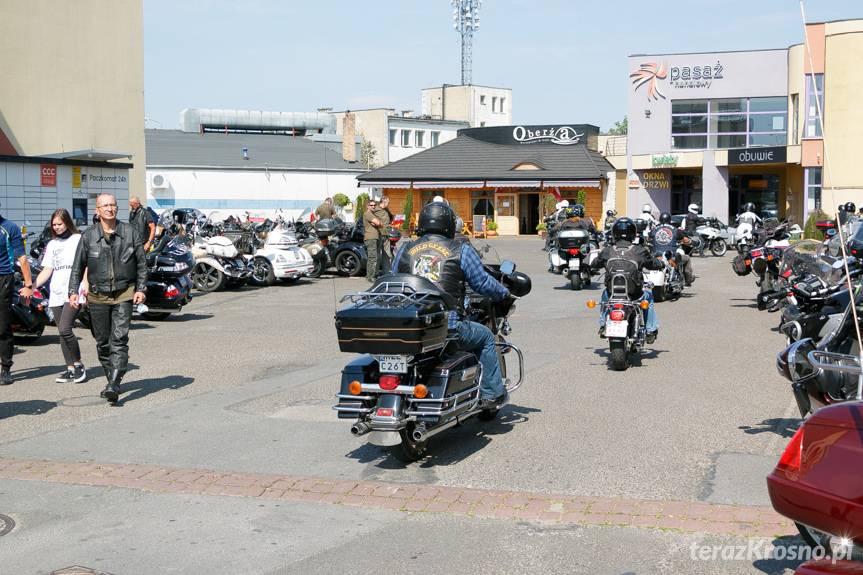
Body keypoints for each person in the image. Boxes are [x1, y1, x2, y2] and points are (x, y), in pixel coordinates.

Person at [391, 202, 511, 409]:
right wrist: (504, 292)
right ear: (449, 225)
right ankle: (492, 394)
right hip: (448, 327)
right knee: (486, 337)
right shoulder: (460, 250)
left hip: (410, 326)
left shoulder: (405, 249)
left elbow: (394, 278)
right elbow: (481, 282)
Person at [69, 193, 147, 403]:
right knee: (103, 343)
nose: (109, 209)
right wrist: (73, 292)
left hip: (124, 293)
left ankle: (113, 383)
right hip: (97, 296)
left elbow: (141, 264)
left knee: (119, 340)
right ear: (97, 210)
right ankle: (112, 380)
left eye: (112, 205)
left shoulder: (130, 232)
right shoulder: (88, 236)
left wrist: (141, 288)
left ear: (117, 208)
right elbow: (77, 267)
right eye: (105, 205)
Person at [34, 209, 86, 383]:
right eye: (54, 225)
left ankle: (79, 365)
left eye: (60, 224)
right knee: (61, 333)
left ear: (67, 222)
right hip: (56, 291)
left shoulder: (78, 239)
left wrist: (84, 284)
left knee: (65, 328)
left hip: (73, 290)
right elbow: (47, 270)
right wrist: (32, 286)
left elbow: (86, 265)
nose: (56, 227)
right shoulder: (52, 244)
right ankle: (69, 368)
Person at [592, 218, 662, 343]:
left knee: (605, 296)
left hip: (613, 293)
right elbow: (652, 264)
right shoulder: (639, 250)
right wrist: (660, 264)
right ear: (633, 233)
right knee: (649, 297)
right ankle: (650, 330)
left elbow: (595, 263)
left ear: (614, 233)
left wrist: (593, 264)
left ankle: (603, 325)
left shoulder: (608, 250)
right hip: (634, 293)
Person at [0, 206, 33, 385]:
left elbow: (22, 258)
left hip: (3, 278)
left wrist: (28, 285)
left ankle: (5, 368)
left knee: (2, 325)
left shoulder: (9, 227)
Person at [652, 212, 695, 286]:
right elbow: (684, 239)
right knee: (687, 258)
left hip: (656, 256)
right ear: (669, 220)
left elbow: (648, 238)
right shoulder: (675, 230)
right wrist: (691, 241)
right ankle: (688, 279)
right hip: (670, 256)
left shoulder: (654, 230)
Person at [362, 199, 382, 282]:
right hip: (371, 238)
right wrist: (378, 223)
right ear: (368, 206)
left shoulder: (372, 214)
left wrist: (378, 223)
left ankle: (372, 275)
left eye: (374, 205)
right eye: (371, 205)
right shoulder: (368, 214)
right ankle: (370, 277)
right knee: (372, 257)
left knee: (375, 257)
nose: (373, 206)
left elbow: (378, 223)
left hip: (374, 237)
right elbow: (378, 223)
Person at [374, 196, 393, 267]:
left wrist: (390, 224)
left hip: (386, 235)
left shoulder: (386, 210)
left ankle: (386, 273)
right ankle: (374, 274)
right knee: (377, 255)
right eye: (388, 202)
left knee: (387, 255)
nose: (388, 204)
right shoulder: (376, 210)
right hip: (378, 235)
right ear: (384, 202)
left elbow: (391, 217)